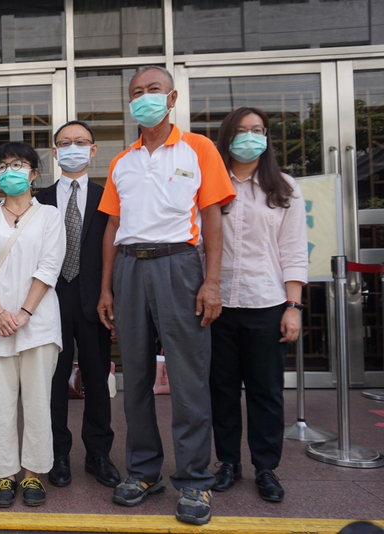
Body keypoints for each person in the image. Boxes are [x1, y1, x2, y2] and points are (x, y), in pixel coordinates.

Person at [96, 66, 235, 525]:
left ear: (171, 98)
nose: (144, 98)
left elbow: (212, 217)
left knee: (188, 378)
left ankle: (195, 480)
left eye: (153, 90)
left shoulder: (199, 148)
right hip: (130, 269)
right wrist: (106, 288)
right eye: (136, 92)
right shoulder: (122, 161)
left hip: (181, 266)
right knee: (135, 377)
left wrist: (211, 282)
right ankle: (143, 471)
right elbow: (113, 228)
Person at [209, 107, 307, 503]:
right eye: (242, 130)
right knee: (222, 390)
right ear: (227, 137)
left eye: (258, 130)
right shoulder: (211, 184)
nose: (250, 137)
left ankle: (266, 467)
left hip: (266, 302)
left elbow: (294, 249)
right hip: (218, 305)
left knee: (266, 391)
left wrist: (293, 306)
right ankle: (228, 462)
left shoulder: (283, 187)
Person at [0, 142, 64, 507]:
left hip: (38, 322)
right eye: (2, 166)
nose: (10, 171)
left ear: (34, 173)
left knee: (37, 401)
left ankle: (34, 474)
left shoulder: (50, 216)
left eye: (18, 164)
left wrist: (24, 313)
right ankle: (4, 475)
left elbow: (49, 267)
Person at [35, 120, 120, 489]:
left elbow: (115, 248)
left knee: (97, 379)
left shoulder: (109, 196)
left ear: (93, 149)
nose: (73, 148)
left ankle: (98, 454)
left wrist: (109, 292)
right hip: (51, 298)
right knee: (52, 380)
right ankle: (57, 454)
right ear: (55, 152)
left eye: (80, 141)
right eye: (65, 143)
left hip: (95, 298)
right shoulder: (39, 198)